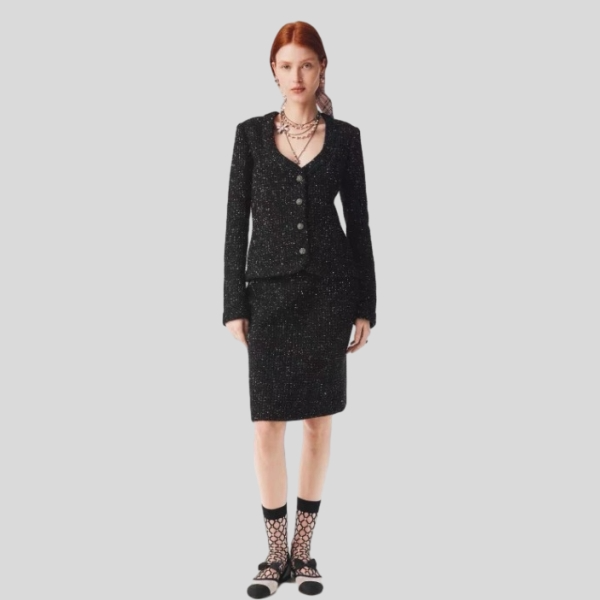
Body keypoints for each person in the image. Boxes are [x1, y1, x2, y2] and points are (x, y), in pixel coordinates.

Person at [222, 21, 377, 598]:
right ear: (273, 70)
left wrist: (365, 303)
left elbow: (359, 225)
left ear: (321, 69)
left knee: (317, 422)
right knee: (266, 426)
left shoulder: (346, 139)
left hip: (329, 294)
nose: (296, 76)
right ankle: (273, 554)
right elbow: (235, 222)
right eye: (286, 65)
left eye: (306, 65)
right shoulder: (249, 136)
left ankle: (304, 553)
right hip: (268, 297)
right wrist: (233, 303)